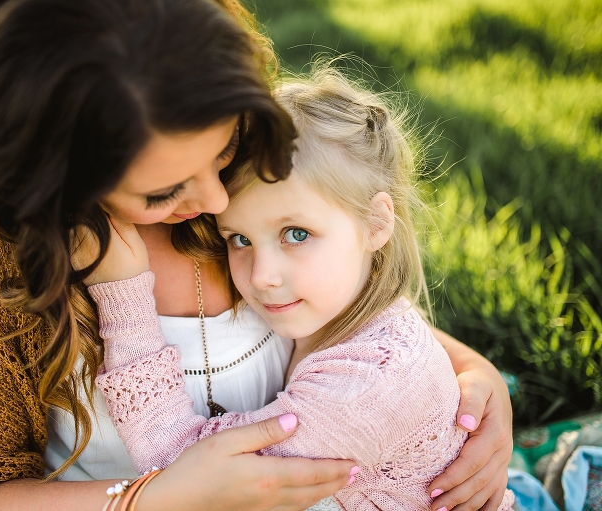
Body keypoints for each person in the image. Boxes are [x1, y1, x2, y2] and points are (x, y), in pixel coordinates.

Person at [0, 0, 512, 510]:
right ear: (61, 178)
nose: (217, 198)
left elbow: (356, 313)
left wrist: (473, 378)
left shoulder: (259, 181)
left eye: (224, 151)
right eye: (163, 191)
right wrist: (144, 501)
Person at [85, 68, 517, 511]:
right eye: (240, 239)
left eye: (296, 234)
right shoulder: (356, 318)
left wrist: (122, 292)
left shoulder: (362, 389)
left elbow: (184, 469)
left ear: (376, 223)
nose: (261, 276)